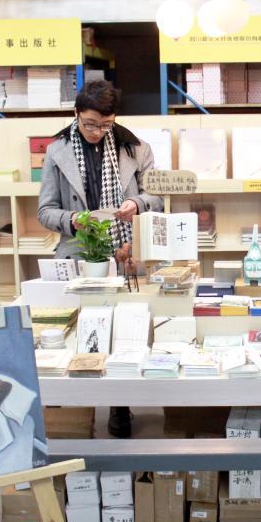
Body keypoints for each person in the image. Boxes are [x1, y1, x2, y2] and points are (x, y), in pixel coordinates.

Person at [37, 80, 162, 439]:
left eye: (105, 125)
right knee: (84, 330)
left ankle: (120, 406)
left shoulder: (135, 148)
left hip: (125, 249)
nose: (97, 131)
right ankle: (76, 408)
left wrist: (136, 204)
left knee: (124, 330)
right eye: (90, 124)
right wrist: (73, 221)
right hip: (80, 250)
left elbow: (157, 197)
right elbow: (45, 211)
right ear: (76, 114)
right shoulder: (57, 150)